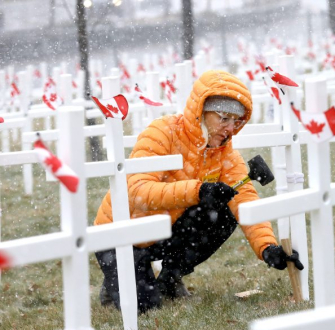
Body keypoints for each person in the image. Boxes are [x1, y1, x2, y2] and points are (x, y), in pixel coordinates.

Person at [94, 70, 303, 313]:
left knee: (223, 212)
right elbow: (137, 192)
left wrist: (267, 248)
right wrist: (198, 191)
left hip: (164, 230)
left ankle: (170, 276)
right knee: (145, 309)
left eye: (236, 122)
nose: (229, 128)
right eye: (223, 118)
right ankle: (116, 280)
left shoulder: (226, 154)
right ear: (201, 111)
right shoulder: (163, 132)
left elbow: (245, 200)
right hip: (121, 234)